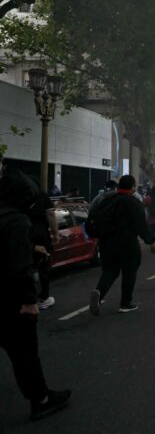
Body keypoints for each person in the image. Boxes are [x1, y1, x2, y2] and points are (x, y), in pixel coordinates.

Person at [0, 169, 72, 421]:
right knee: (25, 354)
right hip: (10, 300)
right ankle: (40, 400)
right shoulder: (17, 221)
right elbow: (20, 267)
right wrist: (30, 301)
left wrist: (30, 248)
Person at [89, 175, 155, 315]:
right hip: (128, 243)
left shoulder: (106, 201)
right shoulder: (133, 202)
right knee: (129, 272)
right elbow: (141, 225)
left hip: (107, 243)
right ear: (133, 187)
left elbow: (96, 220)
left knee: (110, 271)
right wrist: (151, 242)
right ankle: (125, 303)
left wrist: (97, 240)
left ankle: (99, 292)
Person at [27, 177, 59, 310]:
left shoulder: (19, 197)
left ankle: (25, 296)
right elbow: (51, 215)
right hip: (40, 234)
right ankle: (43, 298)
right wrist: (55, 233)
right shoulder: (42, 196)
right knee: (43, 267)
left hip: (23, 232)